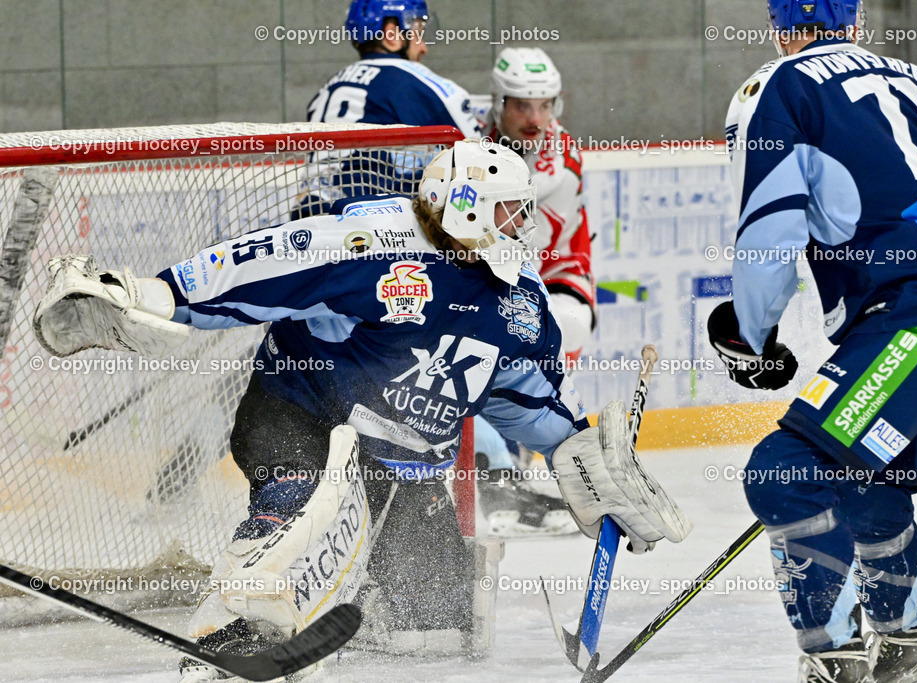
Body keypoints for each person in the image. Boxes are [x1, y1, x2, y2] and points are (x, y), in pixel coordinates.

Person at [32, 139, 689, 681]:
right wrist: (155, 295)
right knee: (299, 502)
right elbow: (254, 269)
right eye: (512, 211)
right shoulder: (370, 239)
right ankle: (233, 623)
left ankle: (358, 586)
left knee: (434, 625)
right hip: (303, 412)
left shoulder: (521, 304)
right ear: (468, 210)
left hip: (403, 470)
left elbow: (524, 400)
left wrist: (579, 453)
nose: (526, 226)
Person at [708, 2, 917, 681]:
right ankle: (904, 644)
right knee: (865, 484)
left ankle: (835, 661)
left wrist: (753, 337)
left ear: (781, 23)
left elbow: (771, 225)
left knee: (784, 472)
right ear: (854, 16)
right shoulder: (913, 79)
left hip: (913, 315)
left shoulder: (779, 86)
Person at [473, 47, 599, 537]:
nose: (535, 118)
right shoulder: (471, 137)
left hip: (556, 266)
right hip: (497, 268)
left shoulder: (560, 160)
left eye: (545, 105)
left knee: (558, 325)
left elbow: (519, 243)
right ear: (499, 102)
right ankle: (497, 466)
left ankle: (532, 457)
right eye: (523, 105)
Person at [298, 0, 481, 208]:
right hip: (362, 218)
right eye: (418, 33)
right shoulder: (413, 81)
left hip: (306, 211)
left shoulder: (331, 84)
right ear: (392, 35)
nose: (423, 48)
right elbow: (483, 154)